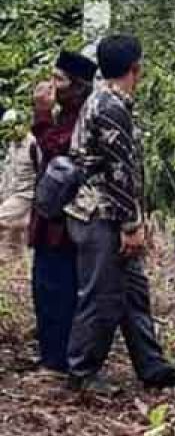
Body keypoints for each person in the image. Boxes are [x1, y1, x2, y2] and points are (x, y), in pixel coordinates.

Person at [64, 34, 175, 394]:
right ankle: (82, 372)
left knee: (133, 292)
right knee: (102, 294)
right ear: (137, 68)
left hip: (106, 212)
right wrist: (131, 225)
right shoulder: (111, 106)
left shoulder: (104, 100)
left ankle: (152, 365)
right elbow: (119, 173)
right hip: (101, 215)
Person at [27, 50, 96, 373]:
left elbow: (60, 154)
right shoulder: (64, 115)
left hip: (67, 224)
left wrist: (41, 116)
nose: (52, 85)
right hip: (48, 219)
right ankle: (50, 355)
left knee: (61, 289)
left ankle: (61, 360)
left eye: (60, 79)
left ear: (79, 86)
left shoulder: (83, 118)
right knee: (44, 288)